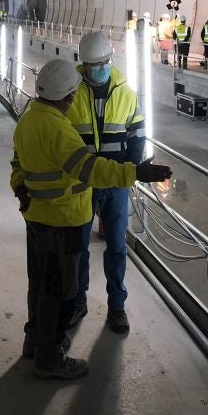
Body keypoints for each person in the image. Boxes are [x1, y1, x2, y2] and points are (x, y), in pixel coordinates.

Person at [11, 59, 172, 379]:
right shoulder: (59, 130)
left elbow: (17, 165)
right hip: (63, 219)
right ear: (68, 95)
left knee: (41, 284)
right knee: (60, 292)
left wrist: (19, 189)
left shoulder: (27, 120)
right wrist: (136, 172)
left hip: (36, 219)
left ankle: (34, 341)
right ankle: (50, 357)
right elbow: (92, 170)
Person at [66, 32, 144, 336]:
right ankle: (78, 302)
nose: (99, 68)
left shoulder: (125, 91)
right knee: (79, 246)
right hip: (82, 179)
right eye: (93, 64)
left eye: (103, 62)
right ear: (83, 64)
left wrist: (133, 168)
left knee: (116, 245)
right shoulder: (70, 92)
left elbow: (137, 130)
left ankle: (117, 305)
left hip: (114, 181)